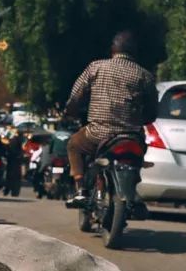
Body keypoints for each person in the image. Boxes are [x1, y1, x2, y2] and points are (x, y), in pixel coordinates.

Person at [63, 31, 157, 207]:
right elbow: (152, 112)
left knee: (73, 144)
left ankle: (81, 189)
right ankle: (132, 188)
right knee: (138, 156)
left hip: (98, 133)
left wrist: (70, 110)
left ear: (113, 49)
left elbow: (75, 97)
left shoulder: (96, 67)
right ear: (134, 52)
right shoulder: (145, 76)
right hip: (131, 137)